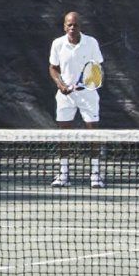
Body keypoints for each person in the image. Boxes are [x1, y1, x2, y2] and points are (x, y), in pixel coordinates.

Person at [46, 9, 105, 187]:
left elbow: (97, 68)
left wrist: (84, 83)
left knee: (93, 132)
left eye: (75, 24)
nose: (72, 27)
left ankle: (95, 175)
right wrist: (60, 84)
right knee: (64, 134)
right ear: (64, 27)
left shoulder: (91, 43)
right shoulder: (57, 44)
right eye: (69, 24)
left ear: (80, 27)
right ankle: (63, 174)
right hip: (65, 96)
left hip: (88, 94)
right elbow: (53, 67)